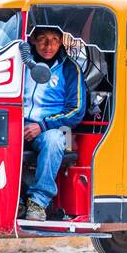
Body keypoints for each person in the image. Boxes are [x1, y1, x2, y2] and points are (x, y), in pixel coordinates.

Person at [20, 25, 88, 222]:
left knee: (55, 141)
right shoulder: (21, 63)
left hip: (51, 129)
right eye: (42, 38)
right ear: (32, 39)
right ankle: (15, 198)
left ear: (61, 43)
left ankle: (38, 202)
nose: (48, 45)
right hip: (18, 123)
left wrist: (42, 126)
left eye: (55, 40)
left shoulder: (69, 69)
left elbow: (76, 111)